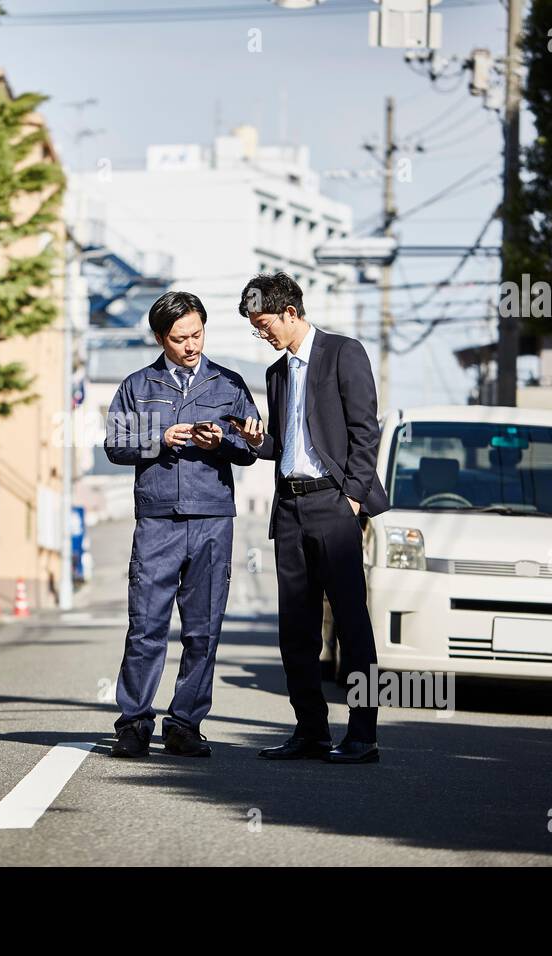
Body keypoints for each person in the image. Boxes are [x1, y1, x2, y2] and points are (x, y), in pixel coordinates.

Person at [229, 273, 390, 764]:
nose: (263, 335)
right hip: (290, 509)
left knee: (351, 623)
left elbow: (366, 431)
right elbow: (282, 446)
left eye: (264, 325)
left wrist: (355, 501)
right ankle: (311, 731)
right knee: (295, 629)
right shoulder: (276, 374)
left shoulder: (345, 353)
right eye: (256, 329)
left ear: (290, 313)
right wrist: (257, 441)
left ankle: (363, 736)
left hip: (335, 505)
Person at [103, 291, 260, 758]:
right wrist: (158, 438)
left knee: (202, 628)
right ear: (159, 338)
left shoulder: (228, 383)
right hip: (157, 521)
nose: (191, 345)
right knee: (146, 624)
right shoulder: (137, 385)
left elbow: (250, 447)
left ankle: (185, 724)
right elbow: (115, 442)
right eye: (179, 338)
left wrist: (222, 442)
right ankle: (134, 723)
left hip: (213, 518)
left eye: (197, 334)